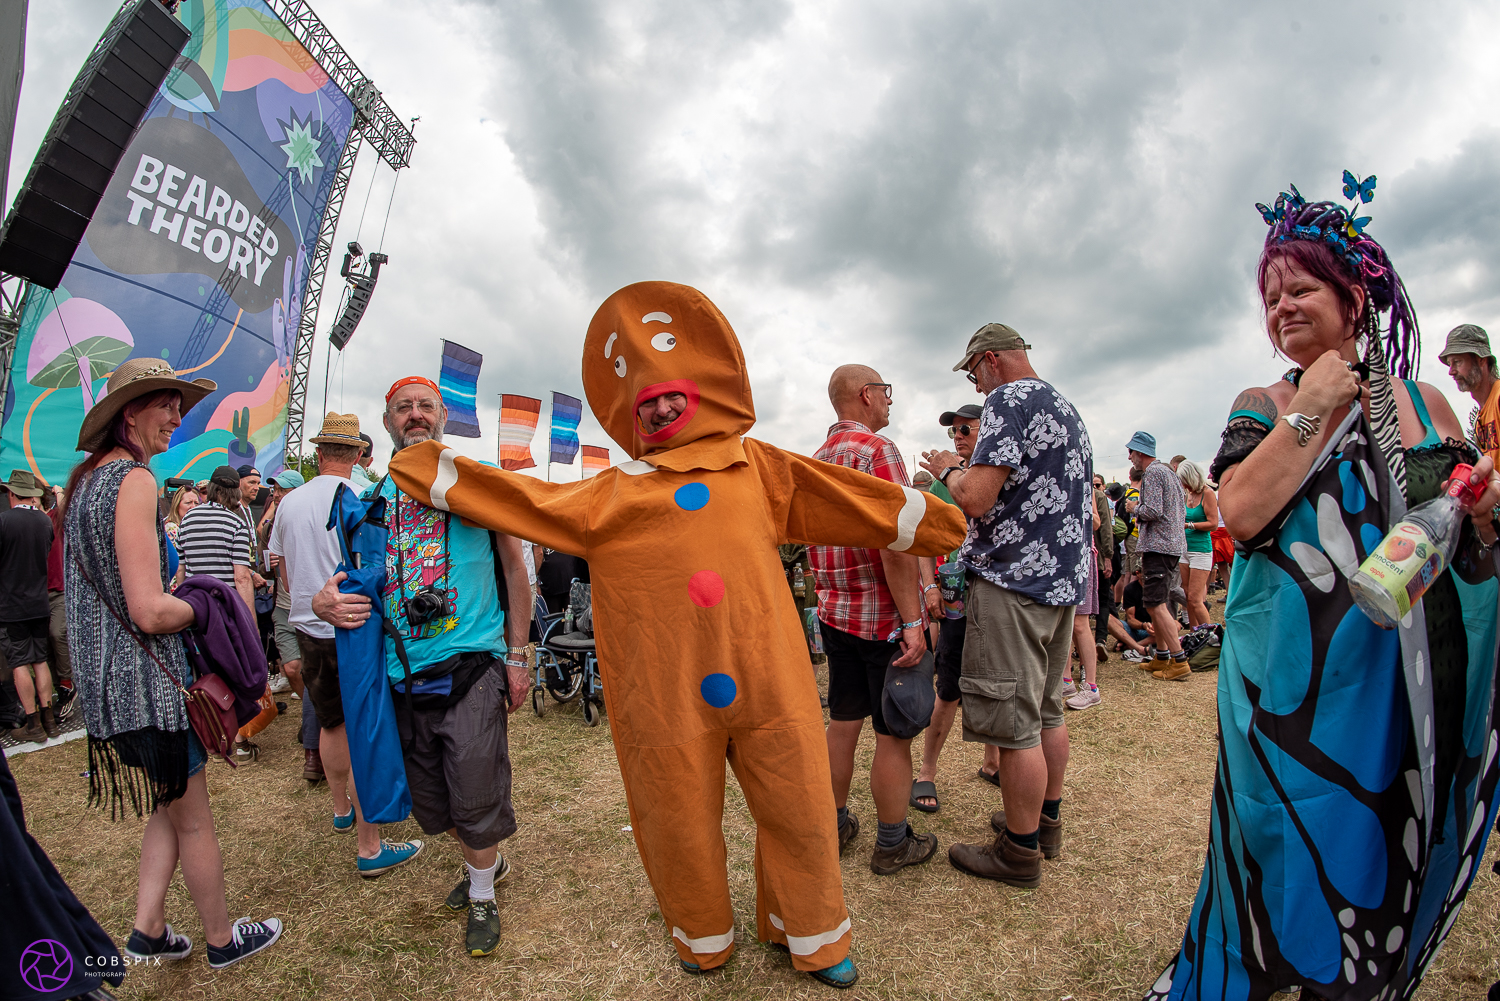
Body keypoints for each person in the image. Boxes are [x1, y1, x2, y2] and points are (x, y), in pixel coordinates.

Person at [386, 282, 964, 988]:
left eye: (670, 394)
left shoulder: (758, 464)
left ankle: (811, 929)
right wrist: (432, 468)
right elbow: (525, 499)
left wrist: (934, 515)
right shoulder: (609, 493)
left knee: (800, 804)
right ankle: (702, 931)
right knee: (675, 816)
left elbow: (844, 497)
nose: (660, 408)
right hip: (665, 696)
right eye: (645, 402)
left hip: (768, 680)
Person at [1145, 176, 1500, 1001]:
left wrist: (1483, 511)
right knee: (1294, 838)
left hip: (1411, 679)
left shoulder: (1428, 404)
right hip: (1301, 688)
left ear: (1354, 296)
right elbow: (1241, 510)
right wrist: (1310, 409)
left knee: (1391, 840)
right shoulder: (1267, 400)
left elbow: (1464, 532)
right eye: (1271, 299)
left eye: (1300, 288)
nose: (1281, 308)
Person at [62, 357, 281, 970]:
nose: (177, 419)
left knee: (168, 803)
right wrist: (206, 604)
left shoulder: (85, 483)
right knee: (194, 821)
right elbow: (150, 611)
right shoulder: (132, 479)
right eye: (166, 405)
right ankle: (222, 940)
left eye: (180, 408)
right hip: (148, 690)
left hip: (110, 691)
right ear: (129, 413)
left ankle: (148, 928)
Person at [311, 376, 532, 958]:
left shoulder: (474, 479)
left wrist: (517, 655)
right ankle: (488, 864)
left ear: (442, 416)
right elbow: (346, 582)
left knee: (475, 791)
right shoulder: (372, 499)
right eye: (403, 408)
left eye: (425, 406)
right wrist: (323, 601)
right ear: (386, 422)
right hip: (400, 676)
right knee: (432, 804)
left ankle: (482, 893)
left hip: (471, 663)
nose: (414, 414)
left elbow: (516, 568)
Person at [919, 321, 1091, 889]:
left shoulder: (1007, 401)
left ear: (991, 359)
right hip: (1059, 584)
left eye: (973, 371)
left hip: (1013, 582)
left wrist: (946, 468)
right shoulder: (1064, 407)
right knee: (1047, 711)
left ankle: (1018, 852)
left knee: (1015, 726)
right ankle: (1044, 824)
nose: (975, 384)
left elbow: (975, 497)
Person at [268, 413, 423, 878]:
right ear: (357, 454)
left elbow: (283, 572)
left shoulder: (289, 503)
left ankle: (341, 809)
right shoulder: (361, 497)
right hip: (355, 628)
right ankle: (369, 845)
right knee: (364, 729)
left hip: (308, 627)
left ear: (319, 453)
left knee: (331, 722)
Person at [810, 364, 939, 878]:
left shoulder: (817, 459)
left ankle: (834, 825)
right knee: (892, 734)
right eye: (886, 392)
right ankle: (892, 843)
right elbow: (896, 542)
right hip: (882, 617)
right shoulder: (877, 451)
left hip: (835, 612)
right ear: (866, 395)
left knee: (842, 722)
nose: (889, 400)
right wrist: (913, 620)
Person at [911, 404, 997, 811]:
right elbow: (924, 542)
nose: (958, 437)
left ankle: (993, 762)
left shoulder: (999, 473)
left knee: (997, 682)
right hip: (956, 599)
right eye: (953, 432)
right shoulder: (940, 486)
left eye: (965, 429)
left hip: (997, 597)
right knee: (948, 687)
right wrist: (929, 587)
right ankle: (926, 771)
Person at [1126, 431, 1189, 680]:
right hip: (1170, 545)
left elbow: (1152, 510)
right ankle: (1162, 656)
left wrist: (1134, 508)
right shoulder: (1168, 472)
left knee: (1155, 605)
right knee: (1158, 603)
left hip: (1158, 546)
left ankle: (1179, 660)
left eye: (1131, 452)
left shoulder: (1152, 473)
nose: (1129, 457)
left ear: (1140, 452)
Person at [1, 470, 58, 742]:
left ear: (12, 493)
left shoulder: (4, 521)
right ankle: (49, 720)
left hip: (12, 606)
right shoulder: (45, 522)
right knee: (40, 660)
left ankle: (33, 724)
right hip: (40, 602)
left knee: (20, 663)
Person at [176, 467, 254, 614]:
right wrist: (250, 622)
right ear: (236, 493)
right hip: (224, 608)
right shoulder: (237, 524)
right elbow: (242, 578)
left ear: (211, 489)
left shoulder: (187, 518)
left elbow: (180, 568)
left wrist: (183, 602)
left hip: (194, 606)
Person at [1439, 323, 1498, 462]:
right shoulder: (1480, 418)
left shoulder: (1498, 398)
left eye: (1457, 362)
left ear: (1481, 360)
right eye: (1450, 363)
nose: (1451, 371)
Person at [1175, 460, 1217, 628]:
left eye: (1185, 481)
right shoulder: (1187, 494)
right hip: (1185, 549)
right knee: (1188, 596)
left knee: (1195, 598)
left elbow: (1213, 524)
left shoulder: (1208, 493)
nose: (1184, 485)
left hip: (1200, 550)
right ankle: (1194, 633)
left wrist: (1189, 525)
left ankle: (1211, 634)